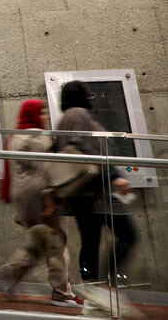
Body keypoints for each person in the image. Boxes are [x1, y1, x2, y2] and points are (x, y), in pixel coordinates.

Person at [56, 81, 139, 317]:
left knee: (90, 243)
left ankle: (96, 294)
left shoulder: (65, 118)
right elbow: (90, 150)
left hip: (82, 195)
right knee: (128, 236)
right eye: (87, 93)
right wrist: (115, 177)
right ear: (79, 96)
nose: (92, 97)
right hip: (98, 194)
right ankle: (103, 290)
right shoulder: (78, 114)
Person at [0, 99, 83, 308]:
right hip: (41, 199)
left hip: (23, 199)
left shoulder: (14, 136)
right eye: (42, 112)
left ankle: (12, 272)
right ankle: (62, 294)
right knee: (57, 243)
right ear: (33, 114)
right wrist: (49, 198)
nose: (45, 116)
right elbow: (46, 170)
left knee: (37, 241)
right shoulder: (39, 136)